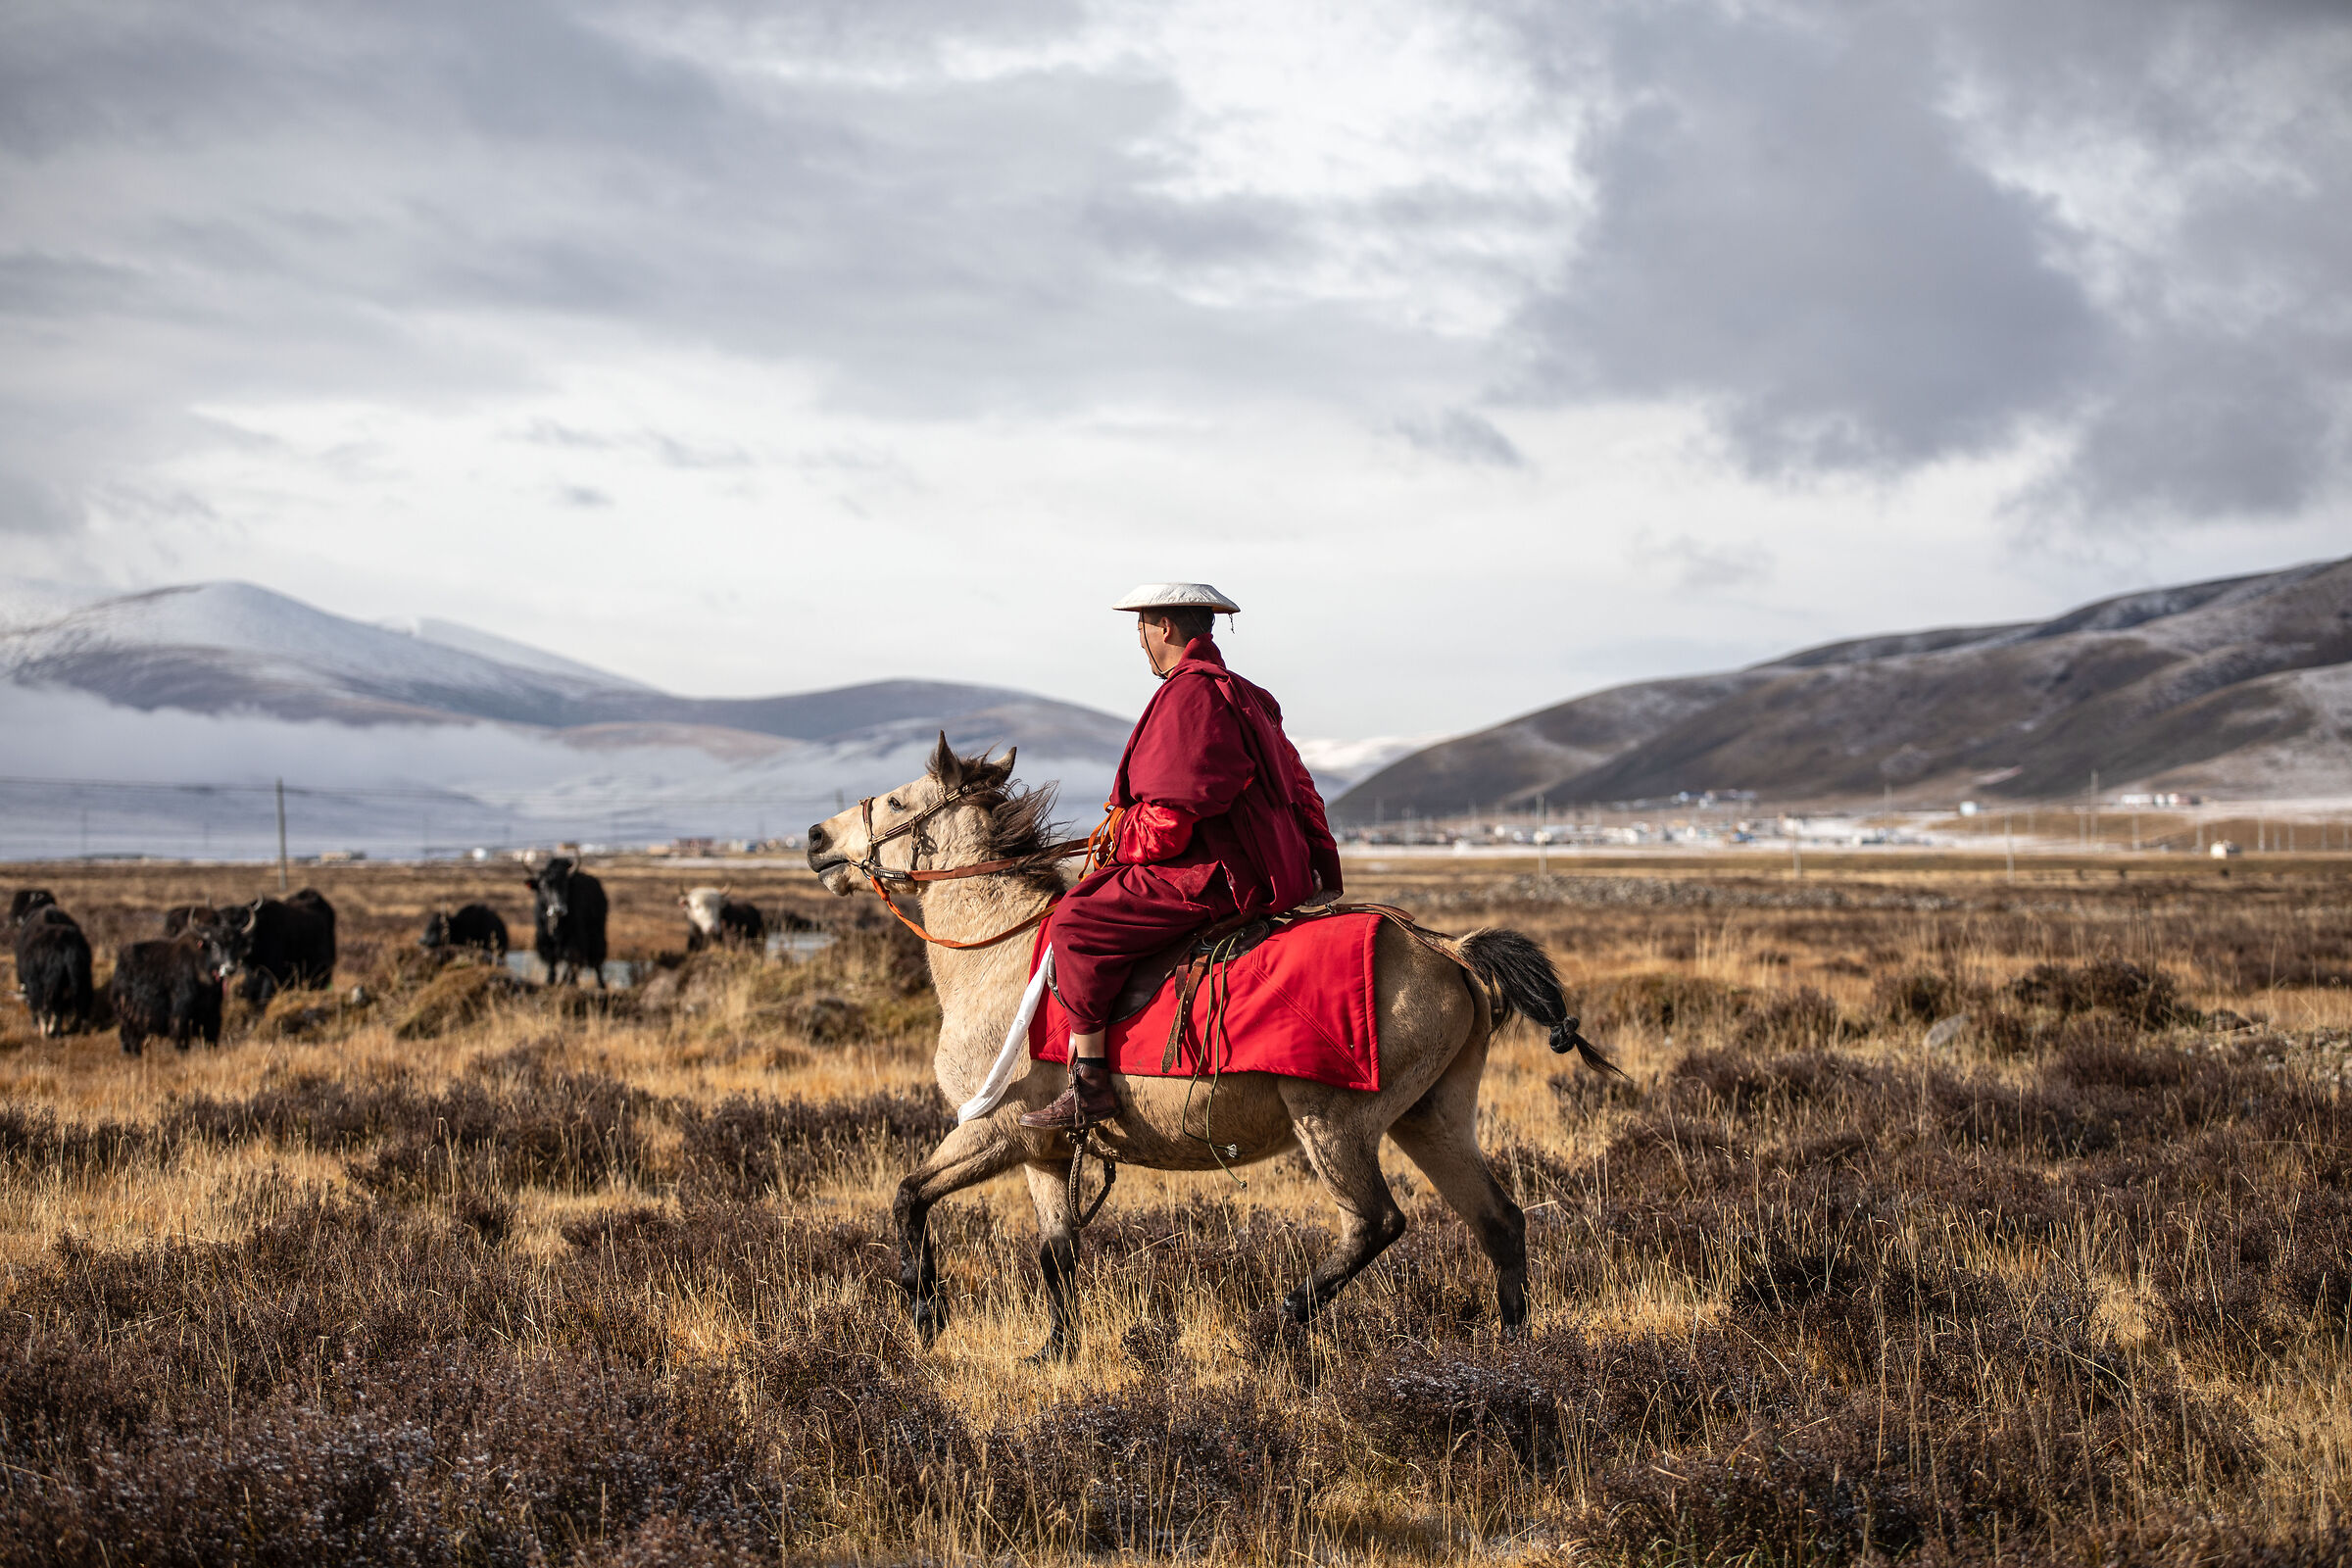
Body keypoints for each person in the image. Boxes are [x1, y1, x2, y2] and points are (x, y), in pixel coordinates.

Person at [1020, 583, 1343, 1132]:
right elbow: (1299, 785)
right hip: (1255, 870)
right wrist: (1318, 865)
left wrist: (1119, 840)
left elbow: (1168, 825)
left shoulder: (1191, 697)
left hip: (1210, 876)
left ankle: (1090, 1083)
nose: (1140, 641)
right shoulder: (1245, 694)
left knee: (1073, 921)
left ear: (1165, 627)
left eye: (1142, 627)